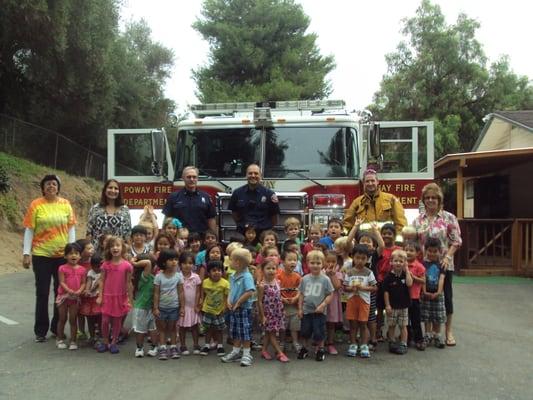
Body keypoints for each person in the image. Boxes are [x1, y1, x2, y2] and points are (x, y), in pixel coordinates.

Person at [23, 174, 77, 342]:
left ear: (58, 187)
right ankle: (40, 330)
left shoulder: (65, 204)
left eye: (54, 184)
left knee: (60, 292)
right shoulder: (36, 205)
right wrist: (26, 253)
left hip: (61, 256)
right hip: (41, 255)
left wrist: (72, 252)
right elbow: (29, 230)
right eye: (48, 184)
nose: (51, 186)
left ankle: (56, 327)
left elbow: (71, 229)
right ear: (43, 187)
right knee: (42, 292)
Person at [413, 182, 462, 347]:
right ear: (423, 200)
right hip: (423, 266)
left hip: (443, 264)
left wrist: (448, 256)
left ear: (439, 199)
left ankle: (448, 331)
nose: (431, 200)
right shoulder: (418, 220)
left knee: (445, 297)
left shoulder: (449, 217)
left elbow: (457, 240)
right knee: (425, 298)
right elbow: (412, 241)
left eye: (434, 197)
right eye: (427, 198)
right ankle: (426, 333)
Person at [96, 237, 133, 354]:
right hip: (107, 296)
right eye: (112, 246)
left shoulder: (127, 266)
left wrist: (129, 299)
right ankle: (105, 341)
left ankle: (114, 342)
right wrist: (100, 296)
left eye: (118, 245)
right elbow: (101, 280)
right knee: (105, 321)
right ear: (109, 249)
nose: (115, 248)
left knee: (117, 322)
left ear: (122, 248)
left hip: (120, 297)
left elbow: (128, 283)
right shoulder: (105, 265)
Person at [221, 248, 256, 367]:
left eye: (231, 259)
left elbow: (250, 291)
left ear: (238, 262)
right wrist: (229, 300)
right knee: (235, 331)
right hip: (234, 308)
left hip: (244, 309)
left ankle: (247, 354)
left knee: (245, 331)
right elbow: (231, 289)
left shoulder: (247, 276)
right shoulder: (234, 275)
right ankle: (235, 351)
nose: (229, 262)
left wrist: (239, 303)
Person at [343, 168, 407, 233]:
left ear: (377, 182)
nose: (370, 183)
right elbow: (347, 224)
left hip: (386, 239)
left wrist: (398, 240)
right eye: (367, 181)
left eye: (372, 181)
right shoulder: (357, 202)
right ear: (363, 183)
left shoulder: (391, 199)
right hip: (365, 241)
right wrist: (342, 236)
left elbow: (401, 223)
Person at [297, 250, 334, 362]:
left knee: (319, 331)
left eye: (318, 263)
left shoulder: (325, 279)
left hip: (319, 311)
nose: (315, 265)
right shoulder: (304, 279)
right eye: (312, 263)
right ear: (307, 263)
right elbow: (301, 294)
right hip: (307, 310)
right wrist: (300, 308)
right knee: (305, 331)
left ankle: (321, 349)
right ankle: (305, 348)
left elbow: (330, 294)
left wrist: (323, 305)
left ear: (323, 264)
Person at [343, 244, 377, 358]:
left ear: (367, 259)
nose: (360, 261)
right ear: (353, 257)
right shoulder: (349, 272)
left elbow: (374, 287)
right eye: (357, 258)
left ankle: (364, 345)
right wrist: (351, 288)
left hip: (364, 301)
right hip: (352, 300)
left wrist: (363, 288)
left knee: (363, 324)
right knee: (353, 324)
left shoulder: (368, 272)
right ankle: (353, 344)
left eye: (363, 258)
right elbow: (345, 287)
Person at [162, 166, 217, 235]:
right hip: (180, 240)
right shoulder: (173, 197)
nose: (192, 179)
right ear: (183, 178)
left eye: (194, 177)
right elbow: (167, 220)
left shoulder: (206, 197)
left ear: (197, 179)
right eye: (189, 177)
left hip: (200, 240)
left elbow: (211, 219)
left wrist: (214, 237)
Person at [228, 164, 280, 236]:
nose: (253, 175)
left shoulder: (269, 194)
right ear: (246, 175)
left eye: (256, 173)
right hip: (243, 234)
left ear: (260, 176)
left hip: (262, 235)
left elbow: (274, 218)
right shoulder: (237, 193)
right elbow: (234, 214)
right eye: (250, 173)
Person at [153, 248, 184, 360]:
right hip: (161, 308)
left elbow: (181, 292)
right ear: (164, 261)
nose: (174, 262)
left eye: (176, 259)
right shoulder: (158, 276)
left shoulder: (178, 276)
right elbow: (156, 293)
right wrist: (155, 308)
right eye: (171, 259)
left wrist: (182, 307)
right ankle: (162, 347)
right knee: (161, 328)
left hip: (174, 307)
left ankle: (174, 347)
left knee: (172, 328)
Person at [55, 243, 87, 350]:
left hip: (75, 298)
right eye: (70, 253)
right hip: (63, 297)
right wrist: (69, 290)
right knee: (62, 318)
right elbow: (62, 282)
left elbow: (83, 283)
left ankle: (73, 341)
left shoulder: (82, 269)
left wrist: (79, 291)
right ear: (65, 256)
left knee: (73, 319)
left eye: (76, 253)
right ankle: (60, 339)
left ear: (80, 256)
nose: (73, 256)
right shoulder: (62, 268)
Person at [86, 179, 131, 253]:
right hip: (98, 253)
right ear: (105, 190)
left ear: (119, 192)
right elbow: (89, 232)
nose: (113, 190)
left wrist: (128, 251)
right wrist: (88, 251)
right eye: (110, 187)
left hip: (118, 253)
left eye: (116, 188)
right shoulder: (95, 209)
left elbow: (128, 234)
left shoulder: (125, 210)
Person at [257, 260, 289, 362]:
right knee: (272, 333)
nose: (271, 271)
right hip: (268, 313)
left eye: (273, 268)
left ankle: (264, 351)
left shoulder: (277, 282)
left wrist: (283, 306)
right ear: (263, 270)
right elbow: (259, 302)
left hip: (277, 311)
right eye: (268, 268)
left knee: (268, 333)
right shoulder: (262, 285)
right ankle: (280, 353)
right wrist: (262, 316)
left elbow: (278, 296)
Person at [383, 249, 413, 355]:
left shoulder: (405, 275)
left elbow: (409, 284)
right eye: (396, 261)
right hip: (392, 306)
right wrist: (387, 305)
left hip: (404, 306)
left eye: (401, 261)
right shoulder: (388, 277)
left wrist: (407, 270)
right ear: (391, 262)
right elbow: (385, 292)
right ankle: (392, 341)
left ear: (405, 263)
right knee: (391, 325)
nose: (398, 263)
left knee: (403, 325)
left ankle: (403, 343)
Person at [420, 237, 447, 349]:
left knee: (437, 315)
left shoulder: (442, 265)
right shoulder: (423, 264)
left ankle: (437, 335)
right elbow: (423, 277)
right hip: (426, 293)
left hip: (438, 294)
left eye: (435, 251)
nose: (432, 253)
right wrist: (424, 291)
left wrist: (439, 292)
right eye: (429, 251)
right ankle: (427, 334)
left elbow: (441, 278)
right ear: (425, 250)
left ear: (439, 251)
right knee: (427, 315)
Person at [200, 261, 229, 357]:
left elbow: (226, 296)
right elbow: (203, 295)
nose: (217, 272)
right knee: (208, 329)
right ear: (208, 272)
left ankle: (220, 346)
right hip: (207, 310)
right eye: (214, 270)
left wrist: (224, 307)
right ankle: (207, 345)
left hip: (219, 311)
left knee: (219, 329)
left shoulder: (225, 283)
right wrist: (202, 307)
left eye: (219, 270)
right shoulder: (205, 282)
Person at [132, 254, 158, 358]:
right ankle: (139, 347)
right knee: (140, 330)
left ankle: (154, 347)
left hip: (151, 307)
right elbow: (148, 262)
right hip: (141, 308)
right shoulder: (144, 276)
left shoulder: (151, 277)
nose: (153, 266)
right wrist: (134, 262)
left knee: (153, 328)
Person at [277, 250, 302, 354]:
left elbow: (300, 290)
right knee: (283, 326)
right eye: (290, 260)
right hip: (281, 305)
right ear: (282, 261)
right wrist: (282, 299)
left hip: (294, 305)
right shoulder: (278, 275)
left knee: (294, 326)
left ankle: (295, 342)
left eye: (295, 260)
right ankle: (282, 343)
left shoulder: (297, 276)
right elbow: (275, 290)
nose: (293, 262)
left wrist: (296, 298)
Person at [178, 252, 202, 356]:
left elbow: (198, 292)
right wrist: (180, 306)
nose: (188, 265)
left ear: (193, 265)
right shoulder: (177, 277)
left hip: (193, 307)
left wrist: (197, 305)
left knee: (194, 327)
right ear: (180, 264)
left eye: (190, 263)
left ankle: (196, 345)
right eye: (184, 263)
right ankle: (183, 346)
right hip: (182, 307)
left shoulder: (196, 277)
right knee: (182, 327)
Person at [404, 240, 426, 350]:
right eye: (406, 250)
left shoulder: (419, 266)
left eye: (411, 250)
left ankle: (419, 339)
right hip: (403, 297)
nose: (408, 252)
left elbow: (423, 281)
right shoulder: (402, 264)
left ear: (417, 253)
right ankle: (407, 338)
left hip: (414, 298)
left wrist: (414, 277)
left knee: (416, 320)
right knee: (405, 320)